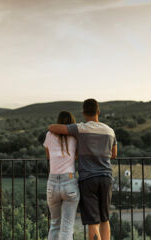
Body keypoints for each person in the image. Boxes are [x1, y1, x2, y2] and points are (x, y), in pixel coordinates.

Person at [49, 99, 117, 240]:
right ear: (98, 111)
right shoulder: (110, 131)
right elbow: (114, 154)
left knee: (93, 222)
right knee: (105, 219)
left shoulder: (80, 128)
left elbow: (53, 128)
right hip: (105, 178)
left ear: (83, 113)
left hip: (88, 180)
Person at [44, 111, 80, 240]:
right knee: (67, 227)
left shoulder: (49, 135)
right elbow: (77, 155)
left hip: (52, 183)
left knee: (54, 224)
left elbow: (48, 155)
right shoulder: (75, 137)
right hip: (69, 182)